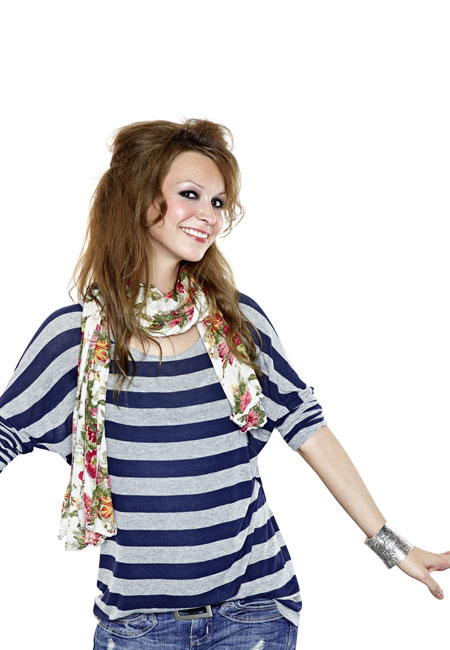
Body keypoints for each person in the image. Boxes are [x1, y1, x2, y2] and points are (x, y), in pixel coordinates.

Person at [0, 118, 448, 650]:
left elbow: (308, 427)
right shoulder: (74, 340)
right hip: (138, 626)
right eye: (190, 194)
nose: (209, 216)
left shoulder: (237, 324)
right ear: (139, 197)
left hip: (253, 612)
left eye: (217, 202)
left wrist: (392, 546)